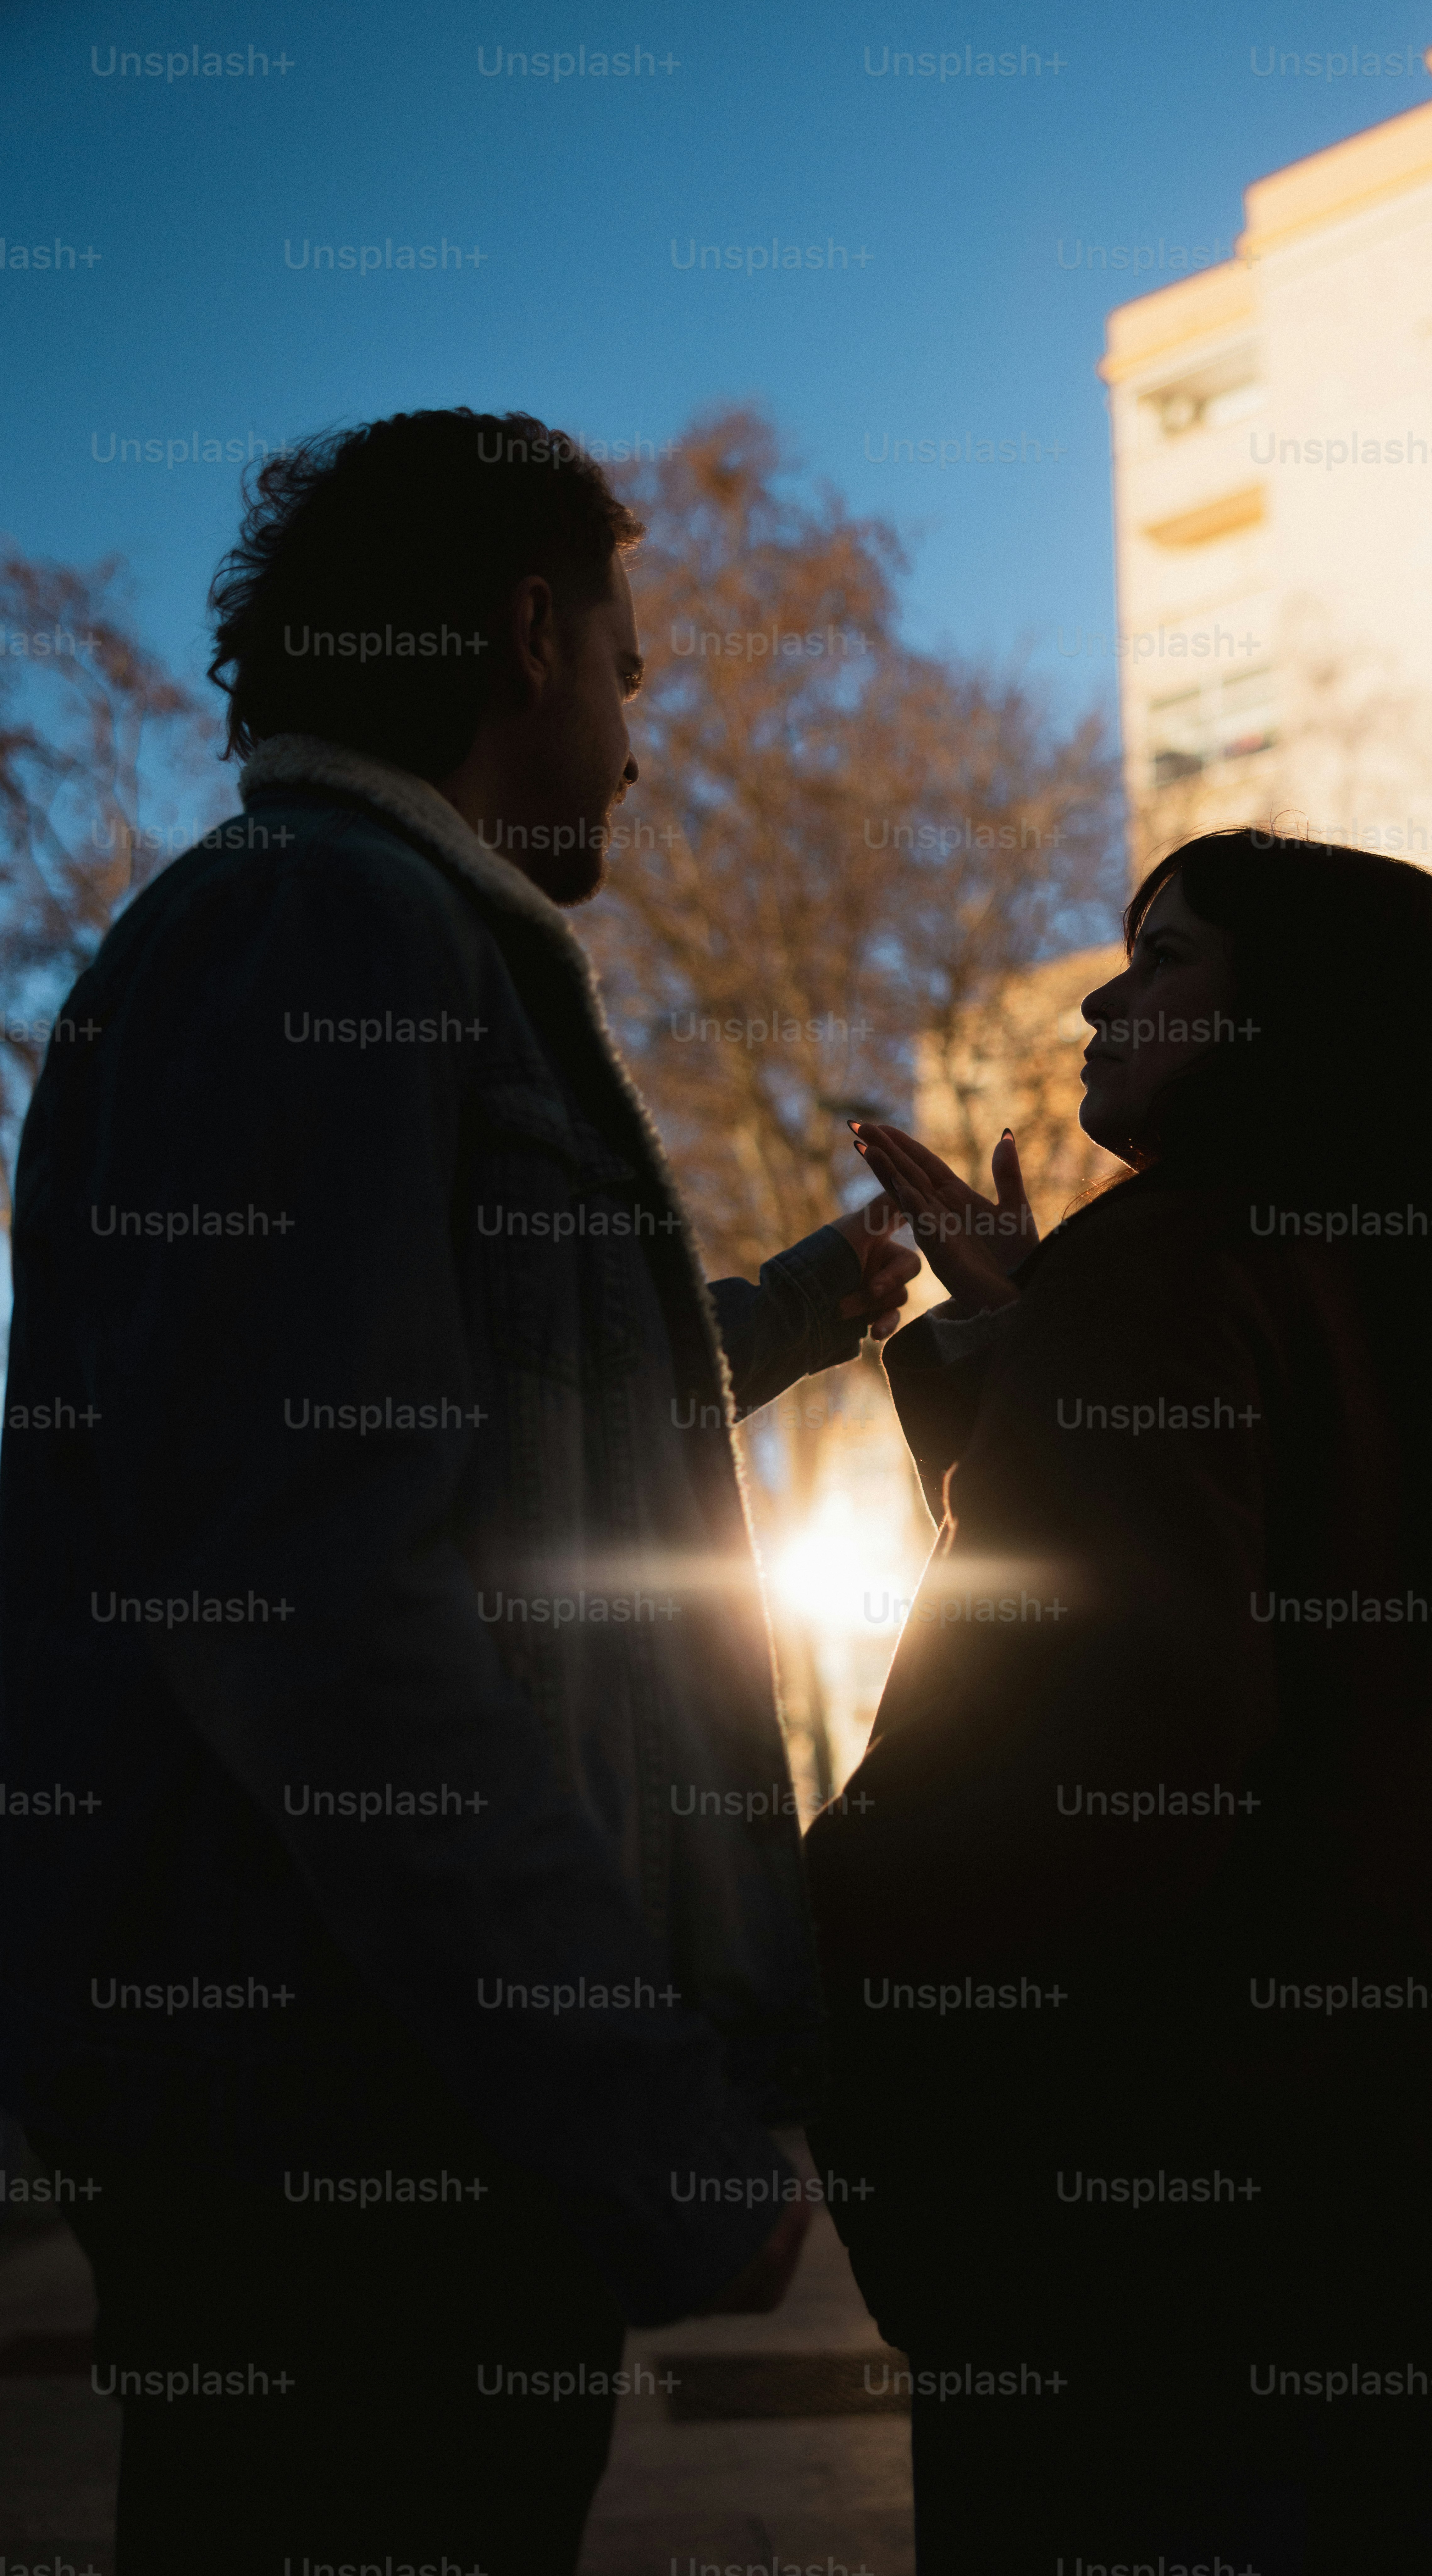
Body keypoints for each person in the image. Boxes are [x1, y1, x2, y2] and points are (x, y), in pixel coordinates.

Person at [0, 408, 917, 2576]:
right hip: (344, 2110)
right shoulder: (330, 932)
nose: (637, 735)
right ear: (525, 638)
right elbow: (313, 1591)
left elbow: (493, 1415)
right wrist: (640, 2111)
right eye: (630, 665)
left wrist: (799, 1309)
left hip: (357, 2080)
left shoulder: (340, 927)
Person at [807, 831, 1432, 2576]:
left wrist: (822, 1909)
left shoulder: (1167, 1268)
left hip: (1174, 2250)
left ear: (1279, 1012)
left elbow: (1101, 1737)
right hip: (1422, 2211)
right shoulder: (1410, 1289)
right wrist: (1025, 1332)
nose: (1102, 992)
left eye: (1163, 959)